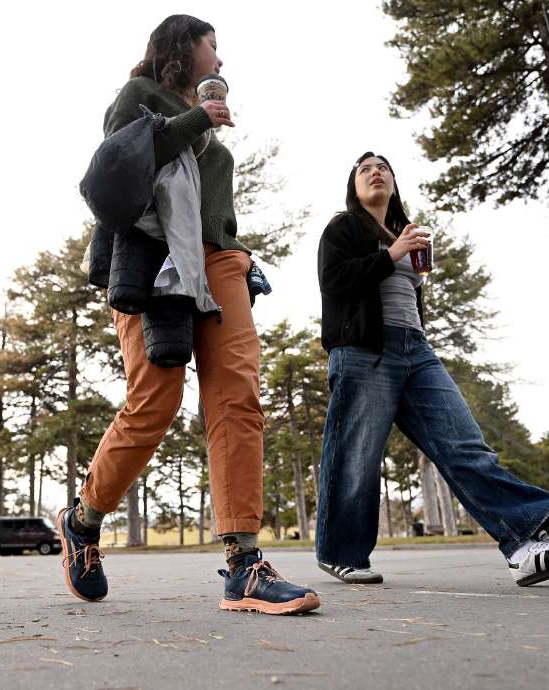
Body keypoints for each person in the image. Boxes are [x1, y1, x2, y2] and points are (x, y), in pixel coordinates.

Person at [57, 14, 319, 615]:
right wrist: (198, 119)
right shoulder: (138, 97)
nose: (221, 62)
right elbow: (119, 175)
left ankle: (244, 563)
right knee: (156, 401)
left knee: (237, 396)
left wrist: (235, 253)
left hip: (219, 260)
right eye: (213, 47)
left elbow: (206, 204)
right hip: (152, 262)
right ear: (183, 46)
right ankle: (83, 518)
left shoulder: (207, 129)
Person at [314, 152, 549, 586]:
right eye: (364, 169)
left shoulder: (405, 233)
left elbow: (410, 295)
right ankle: (342, 553)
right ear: (353, 186)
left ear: (394, 182)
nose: (376, 172)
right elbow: (334, 283)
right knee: (358, 456)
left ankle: (524, 543)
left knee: (464, 444)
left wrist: (407, 255)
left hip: (416, 350)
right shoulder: (343, 227)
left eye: (384, 168)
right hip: (364, 351)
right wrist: (391, 254)